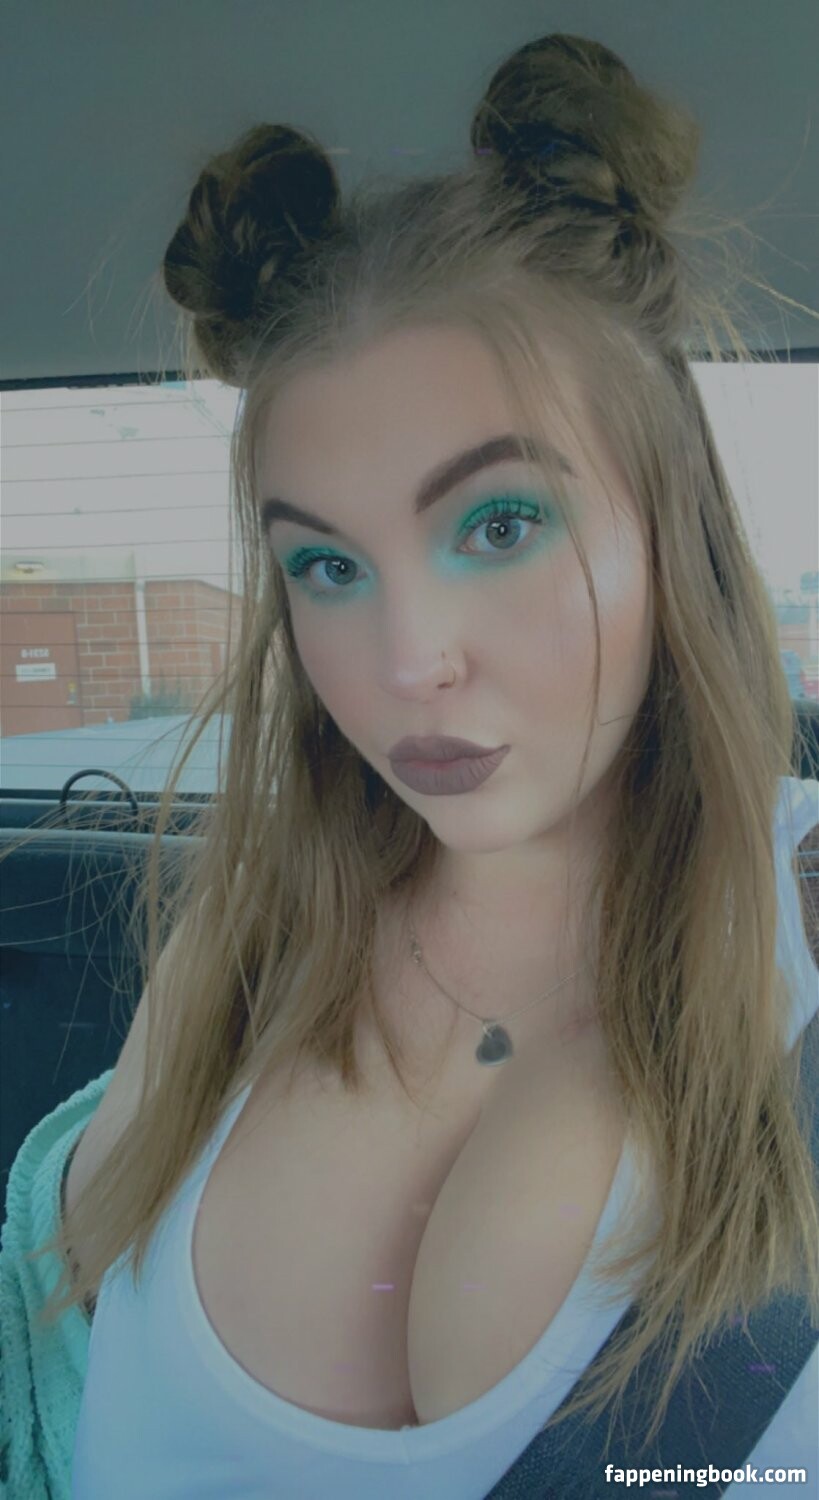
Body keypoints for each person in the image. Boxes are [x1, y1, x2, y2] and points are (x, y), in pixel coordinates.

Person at [2, 30, 818, 1500]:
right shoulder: (240, 951)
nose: (405, 662)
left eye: (498, 525)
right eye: (326, 564)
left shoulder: (803, 917)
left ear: (672, 526)